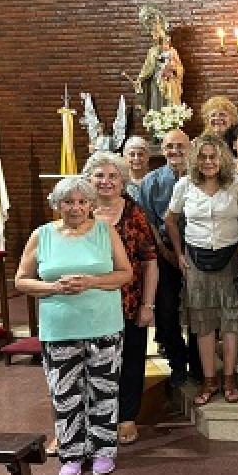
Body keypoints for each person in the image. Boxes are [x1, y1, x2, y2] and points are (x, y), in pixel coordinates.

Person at [14, 177, 132, 475]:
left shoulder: (106, 231)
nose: (75, 208)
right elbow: (21, 280)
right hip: (59, 328)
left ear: (90, 204)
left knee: (104, 392)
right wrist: (53, 287)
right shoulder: (42, 235)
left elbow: (125, 273)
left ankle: (103, 452)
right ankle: (72, 455)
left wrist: (92, 281)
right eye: (68, 202)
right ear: (58, 204)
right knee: (65, 394)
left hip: (103, 325)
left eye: (81, 202)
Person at [164, 134, 238, 406]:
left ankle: (229, 378)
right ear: (195, 159)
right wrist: (179, 254)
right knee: (203, 322)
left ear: (222, 158)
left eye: (213, 157)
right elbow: (170, 219)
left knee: (230, 321)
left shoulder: (236, 185)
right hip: (196, 260)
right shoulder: (184, 185)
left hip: (230, 259)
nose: (208, 162)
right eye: (203, 157)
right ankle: (209, 380)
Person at [83, 152, 158, 446]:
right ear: (89, 179)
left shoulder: (135, 213)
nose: (106, 181)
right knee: (88, 362)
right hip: (87, 301)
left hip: (128, 300)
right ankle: (86, 418)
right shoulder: (78, 210)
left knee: (130, 361)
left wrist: (147, 304)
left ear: (123, 181)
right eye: (99, 175)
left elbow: (150, 261)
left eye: (113, 176)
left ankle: (126, 416)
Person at [137, 129, 201, 388]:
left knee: (198, 308)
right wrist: (168, 253)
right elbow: (148, 222)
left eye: (180, 146)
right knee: (166, 310)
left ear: (190, 148)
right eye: (169, 147)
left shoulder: (201, 177)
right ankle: (177, 362)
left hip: (198, 252)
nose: (175, 151)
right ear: (162, 150)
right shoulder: (151, 181)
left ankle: (198, 362)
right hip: (164, 254)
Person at [127, 4, 184, 115]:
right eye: (154, 35)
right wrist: (140, 80)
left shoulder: (172, 52)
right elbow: (147, 69)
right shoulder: (152, 51)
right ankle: (157, 122)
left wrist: (173, 70)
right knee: (157, 107)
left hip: (170, 84)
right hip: (156, 85)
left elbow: (180, 69)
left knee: (171, 107)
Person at [122, 135, 150, 202]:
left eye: (140, 154)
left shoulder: (156, 181)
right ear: (125, 157)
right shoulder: (120, 183)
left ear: (147, 157)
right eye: (132, 154)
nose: (136, 158)